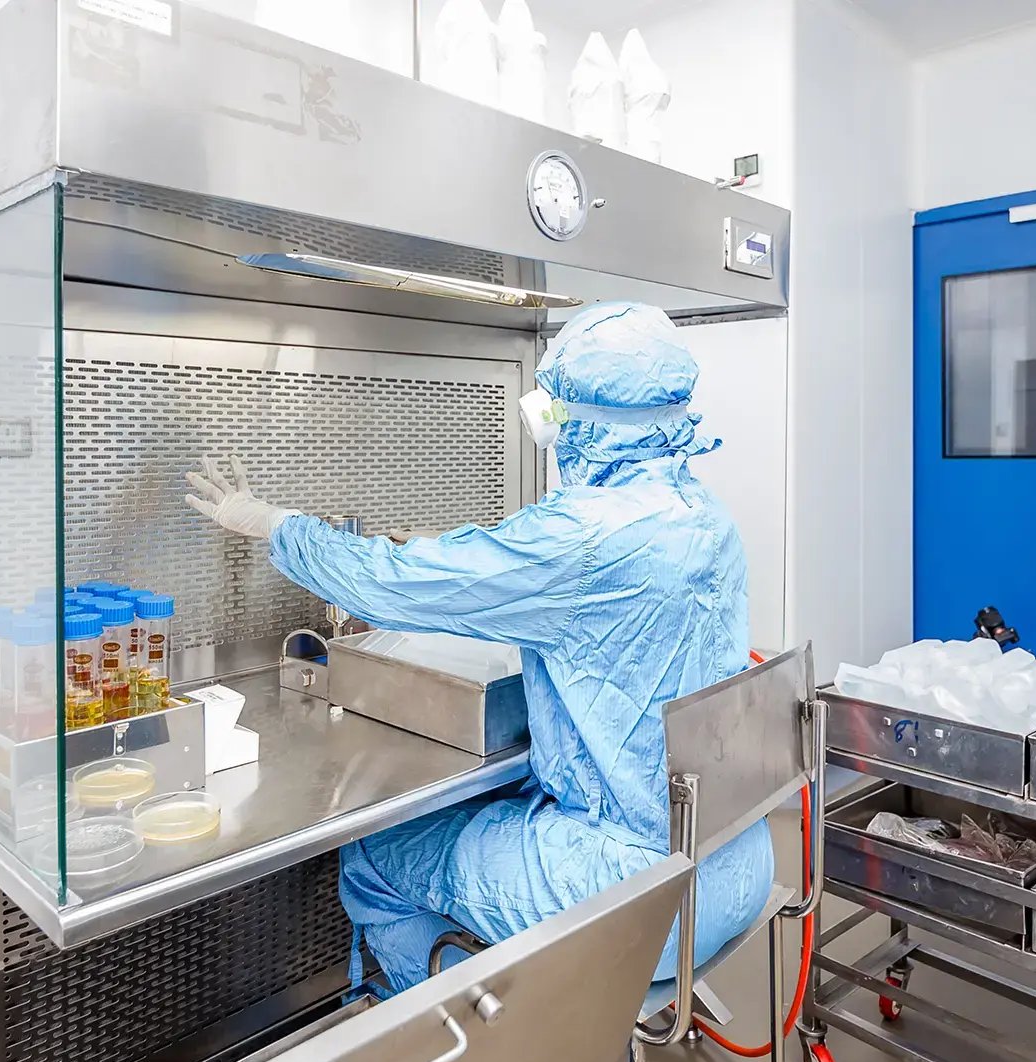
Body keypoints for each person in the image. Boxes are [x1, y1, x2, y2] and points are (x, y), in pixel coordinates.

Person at [186, 301, 775, 994]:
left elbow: (393, 585)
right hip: (738, 859)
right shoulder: (702, 516)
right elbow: (536, 574)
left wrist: (272, 524)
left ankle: (512, 1057)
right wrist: (447, 550)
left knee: (377, 853)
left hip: (644, 893)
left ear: (578, 416)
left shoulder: (579, 539)